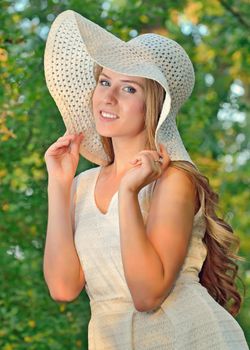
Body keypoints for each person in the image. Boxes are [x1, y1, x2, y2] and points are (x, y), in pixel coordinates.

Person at [43, 10, 249, 350]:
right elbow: (63, 288)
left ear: (154, 105)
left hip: (191, 339)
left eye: (129, 88)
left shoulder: (174, 180)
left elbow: (146, 294)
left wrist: (128, 192)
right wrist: (59, 183)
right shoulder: (82, 186)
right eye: (105, 81)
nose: (108, 97)